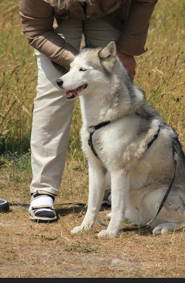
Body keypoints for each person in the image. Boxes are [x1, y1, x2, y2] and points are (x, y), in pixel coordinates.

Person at [20, 0, 158, 222]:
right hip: (57, 20)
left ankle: (110, 188)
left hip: (108, 12)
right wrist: (78, 65)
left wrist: (126, 51)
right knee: (53, 92)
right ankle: (43, 189)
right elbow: (35, 29)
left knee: (115, 91)